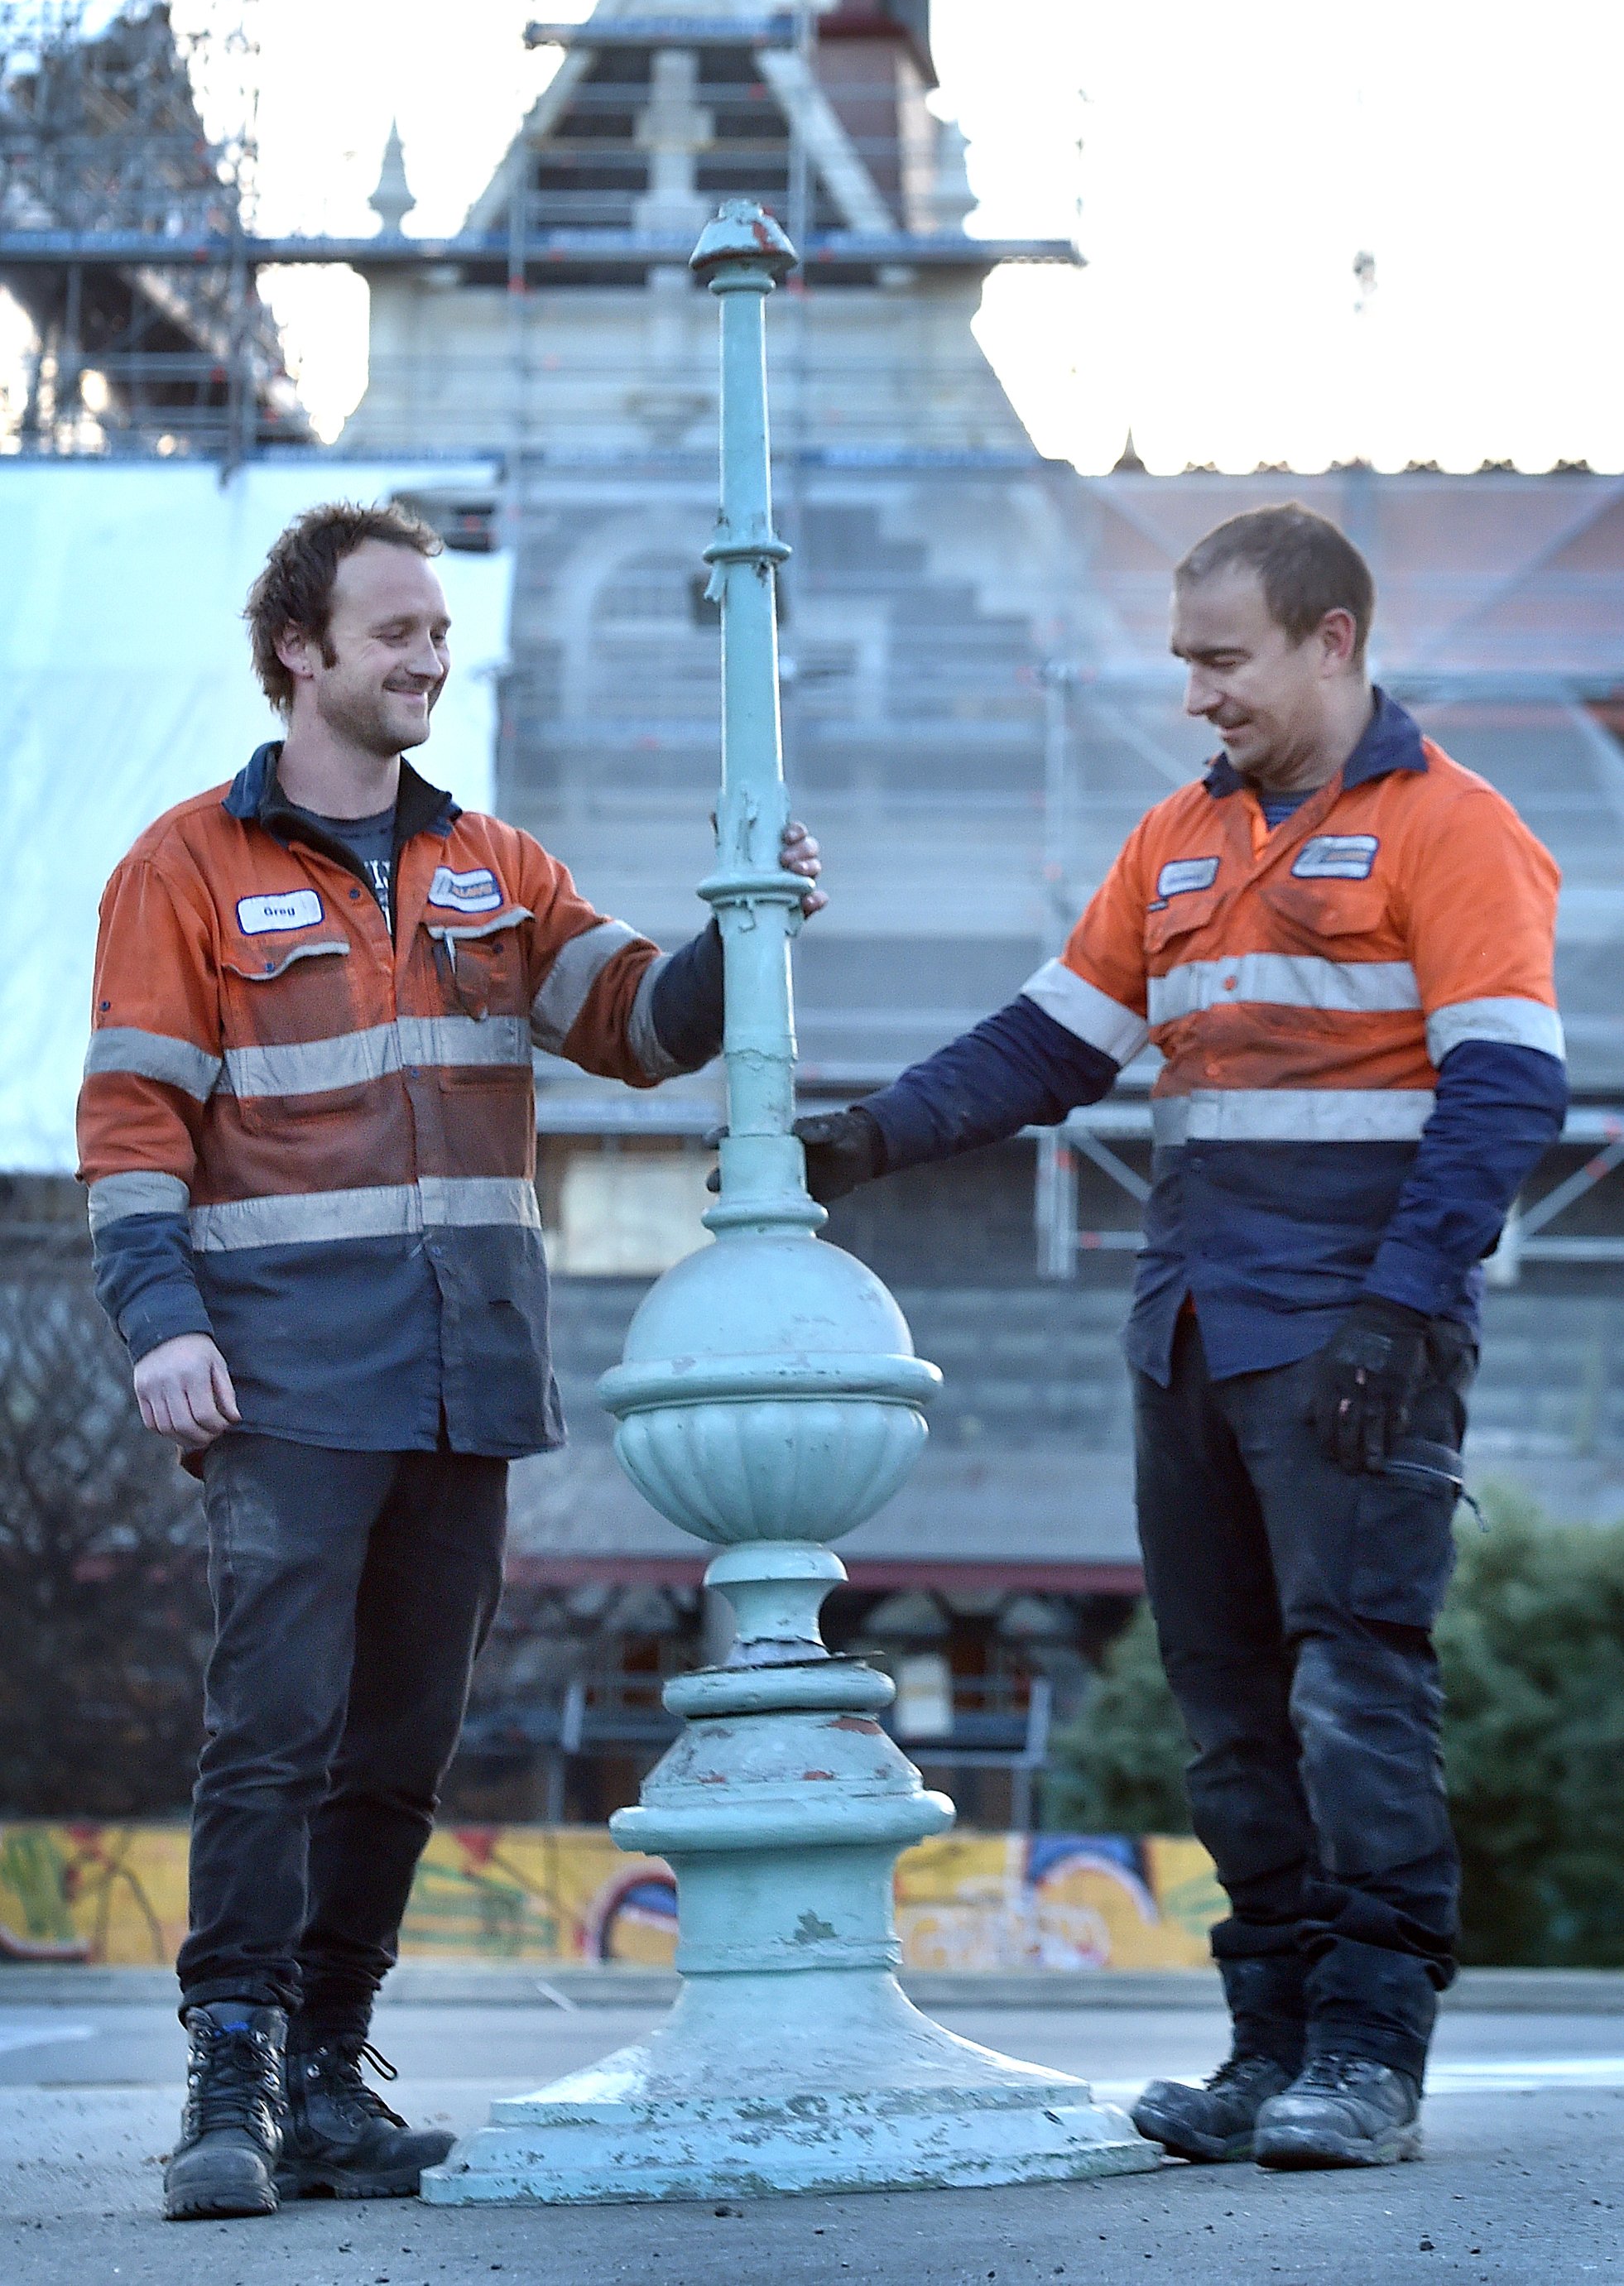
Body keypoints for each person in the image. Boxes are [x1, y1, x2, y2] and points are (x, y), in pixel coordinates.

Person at [795, 503, 1564, 2170]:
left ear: (1332, 639)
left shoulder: (1457, 829)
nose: (1196, 692)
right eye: (1185, 661)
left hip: (1352, 1337)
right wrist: (866, 1133)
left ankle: (1368, 2054)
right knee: (1225, 1702)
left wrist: (1400, 1302)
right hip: (1197, 1332)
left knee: (1357, 1689)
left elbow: (1509, 1087)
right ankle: (1268, 2042)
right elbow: (1049, 1042)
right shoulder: (1177, 841)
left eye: (1224, 659)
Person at [79, 499, 823, 2222]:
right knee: (273, 1731)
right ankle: (231, 2074)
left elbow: (639, 1025)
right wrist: (161, 1317)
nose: (428, 654)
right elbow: (130, 1122)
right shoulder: (181, 867)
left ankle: (332, 2065)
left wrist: (753, 917)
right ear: (300, 652)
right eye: (394, 629)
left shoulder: (496, 859)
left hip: (463, 1370)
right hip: (281, 1376)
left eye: (435, 630)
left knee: (402, 1741)